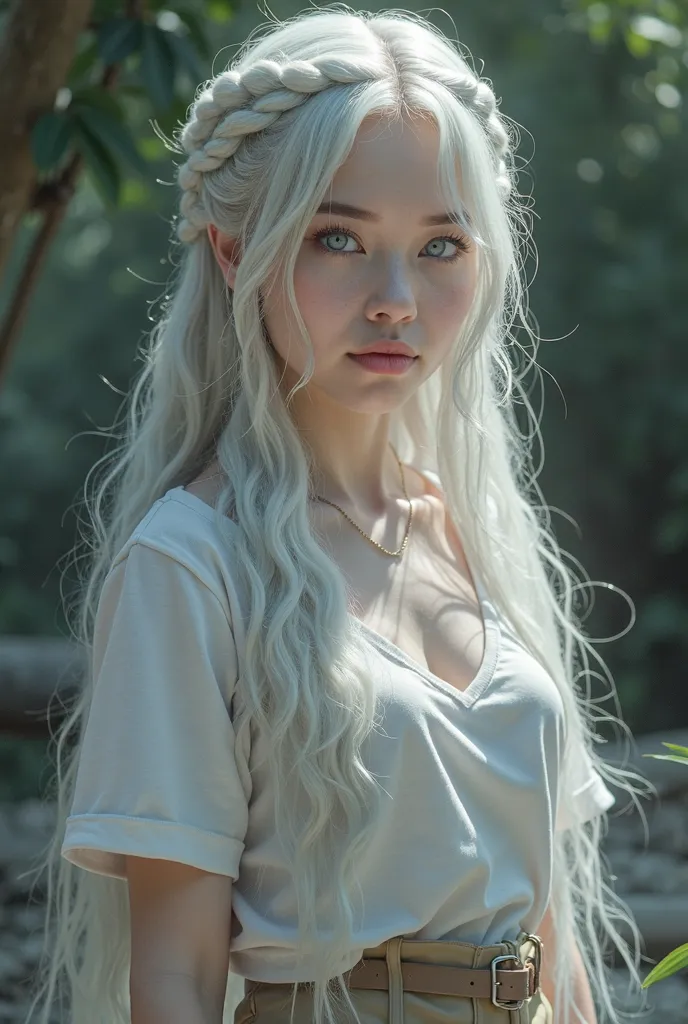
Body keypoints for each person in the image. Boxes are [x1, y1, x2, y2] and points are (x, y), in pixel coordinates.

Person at [24, 7, 651, 1024]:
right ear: (235, 253)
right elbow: (173, 979)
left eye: (440, 244)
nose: (395, 297)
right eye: (338, 238)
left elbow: (545, 934)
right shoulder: (190, 563)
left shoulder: (475, 537)